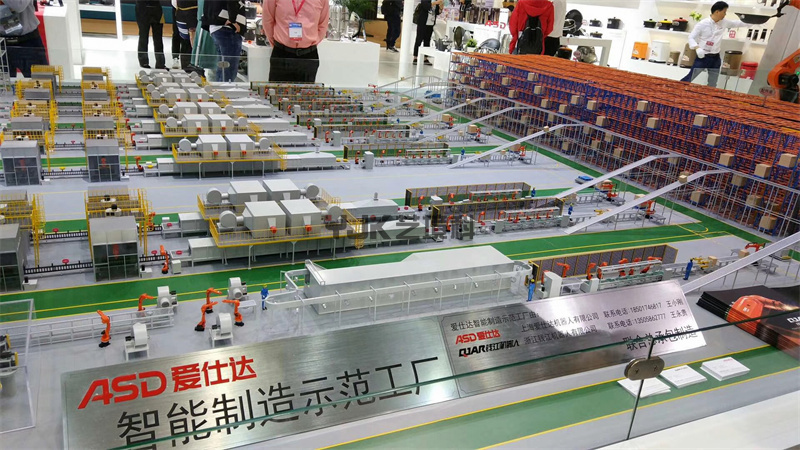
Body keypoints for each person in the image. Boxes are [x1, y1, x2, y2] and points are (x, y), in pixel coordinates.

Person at [681, 1, 749, 87]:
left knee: (713, 83)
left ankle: (709, 95)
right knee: (690, 78)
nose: (725, 14)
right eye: (724, 12)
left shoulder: (724, 22)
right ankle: (676, 89)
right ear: (717, 12)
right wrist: (697, 48)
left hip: (715, 58)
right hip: (703, 57)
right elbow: (691, 37)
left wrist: (752, 21)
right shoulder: (702, 24)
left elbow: (736, 23)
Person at [262, 0, 329, 82]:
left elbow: (323, 25)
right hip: (282, 54)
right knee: (277, 89)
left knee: (306, 90)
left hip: (308, 56)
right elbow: (267, 20)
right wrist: (278, 43)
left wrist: (310, 42)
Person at [0, 0, 49, 78]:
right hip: (2, 42)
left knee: (41, 81)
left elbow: (18, 5)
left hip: (28, 41)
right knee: (3, 84)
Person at [202, 0, 247, 82]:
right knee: (228, 70)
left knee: (223, 67)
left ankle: (221, 89)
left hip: (218, 24)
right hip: (227, 28)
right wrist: (233, 21)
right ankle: (224, 89)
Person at [136, 0, 166, 69]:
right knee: (143, 36)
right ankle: (143, 61)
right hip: (142, 8)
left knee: (158, 38)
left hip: (156, 8)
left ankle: (160, 63)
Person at [412, 0, 442, 66]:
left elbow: (436, 12)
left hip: (431, 23)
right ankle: (415, 57)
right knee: (419, 39)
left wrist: (440, 8)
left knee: (427, 40)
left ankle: (425, 58)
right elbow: (426, 6)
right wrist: (435, 3)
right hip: (423, 22)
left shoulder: (436, 1)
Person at [172, 0, 198, 69]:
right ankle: (187, 65)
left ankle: (189, 65)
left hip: (185, 13)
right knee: (187, 41)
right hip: (186, 14)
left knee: (188, 41)